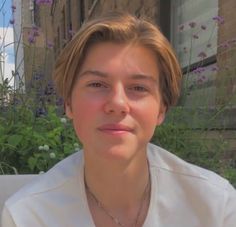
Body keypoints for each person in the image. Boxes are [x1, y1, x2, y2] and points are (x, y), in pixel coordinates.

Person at [2, 11, 236, 227]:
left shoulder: (215, 207)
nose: (117, 104)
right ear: (68, 103)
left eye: (138, 87)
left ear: (161, 109)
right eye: (97, 84)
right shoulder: (28, 216)